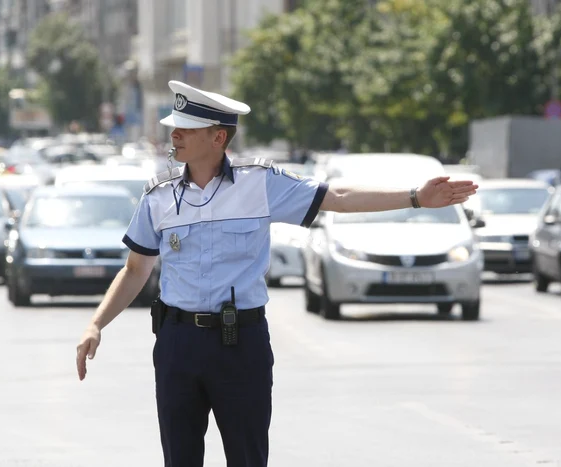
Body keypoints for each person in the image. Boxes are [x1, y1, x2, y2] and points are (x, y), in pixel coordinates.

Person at [75, 80, 478, 467]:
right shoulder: (158, 196)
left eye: (186, 129)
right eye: (175, 128)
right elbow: (135, 269)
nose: (174, 136)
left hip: (240, 344)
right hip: (177, 345)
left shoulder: (261, 183)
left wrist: (415, 198)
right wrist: (96, 324)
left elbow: (337, 198)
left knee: (248, 458)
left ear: (218, 138)